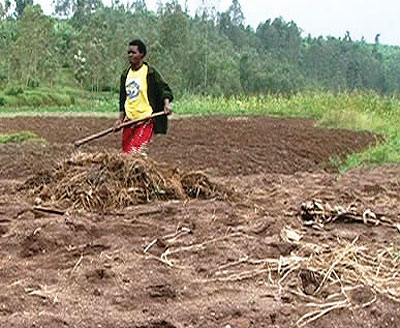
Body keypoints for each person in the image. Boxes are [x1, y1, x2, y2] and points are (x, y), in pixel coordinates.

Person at [115, 38, 173, 155]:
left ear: (142, 54)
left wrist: (167, 104)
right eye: (129, 53)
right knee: (126, 154)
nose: (130, 55)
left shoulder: (150, 73)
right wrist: (120, 120)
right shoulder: (125, 75)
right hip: (129, 120)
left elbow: (164, 89)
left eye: (133, 52)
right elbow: (123, 99)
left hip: (145, 119)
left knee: (136, 152)